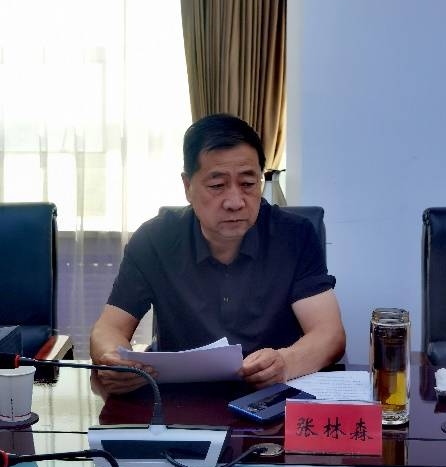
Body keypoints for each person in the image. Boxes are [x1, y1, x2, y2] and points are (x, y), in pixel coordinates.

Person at [90, 113, 346, 393]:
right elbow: (109, 328)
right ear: (187, 186)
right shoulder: (155, 239)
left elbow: (329, 334)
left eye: (248, 184)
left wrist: (286, 362)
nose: (235, 202)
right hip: (181, 400)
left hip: (271, 397)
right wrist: (114, 360)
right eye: (217, 186)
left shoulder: (295, 236)